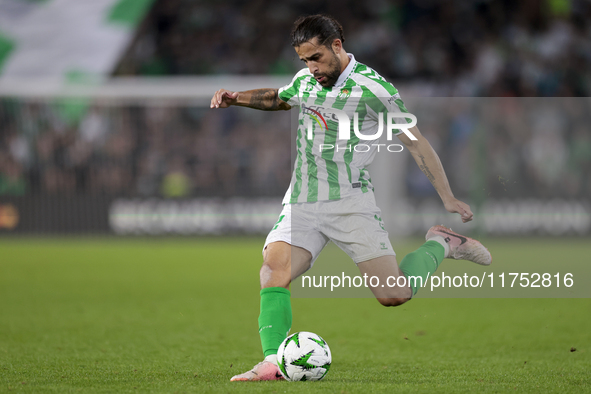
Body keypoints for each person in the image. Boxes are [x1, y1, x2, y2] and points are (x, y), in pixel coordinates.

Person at [210, 14, 491, 381]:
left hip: (350, 203)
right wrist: (237, 99)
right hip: (302, 202)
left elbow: (416, 142)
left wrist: (448, 196)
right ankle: (272, 362)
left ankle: (442, 242)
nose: (311, 68)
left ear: (337, 47)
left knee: (394, 294)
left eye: (316, 58)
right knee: (272, 272)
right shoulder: (306, 81)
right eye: (304, 61)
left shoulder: (374, 89)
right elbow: (279, 99)